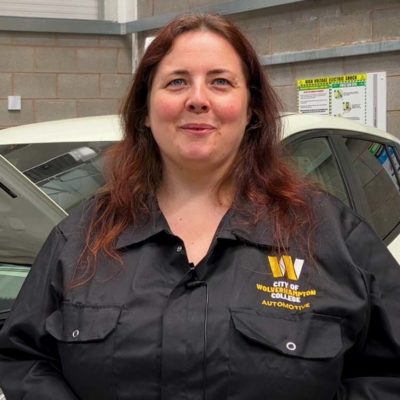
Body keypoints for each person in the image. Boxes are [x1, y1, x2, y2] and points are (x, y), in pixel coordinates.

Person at [0, 13, 399, 400]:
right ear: (144, 112)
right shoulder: (81, 237)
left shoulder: (331, 235)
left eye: (221, 82)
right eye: (176, 82)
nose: (197, 99)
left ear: (252, 110)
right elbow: (24, 359)